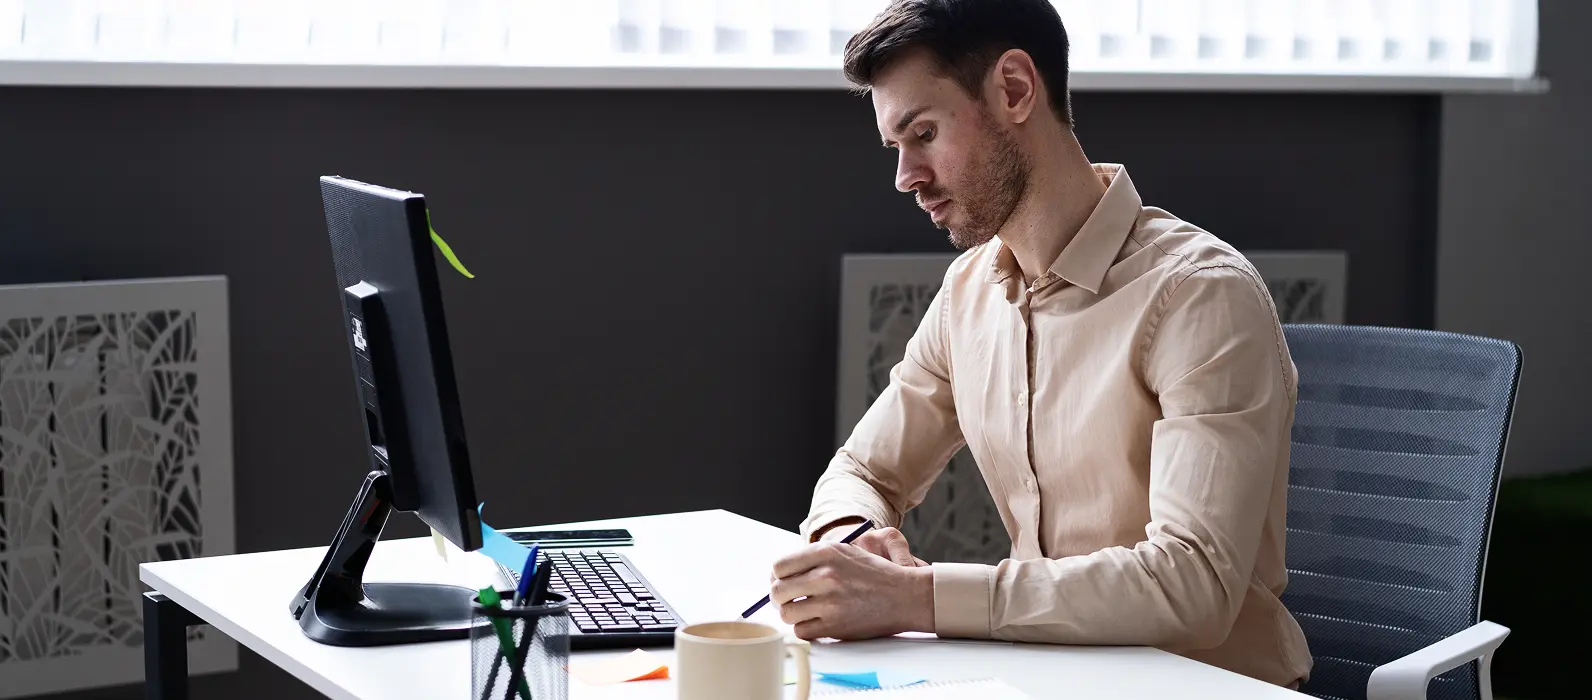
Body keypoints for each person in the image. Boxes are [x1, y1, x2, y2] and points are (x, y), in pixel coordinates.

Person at [768, 0, 1313, 689]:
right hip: (1041, 680)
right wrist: (852, 548)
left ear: (1016, 89)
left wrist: (917, 597)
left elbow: (1193, 582)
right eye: (896, 147)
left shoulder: (1200, 296)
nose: (906, 176)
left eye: (925, 134)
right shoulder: (968, 293)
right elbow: (865, 472)